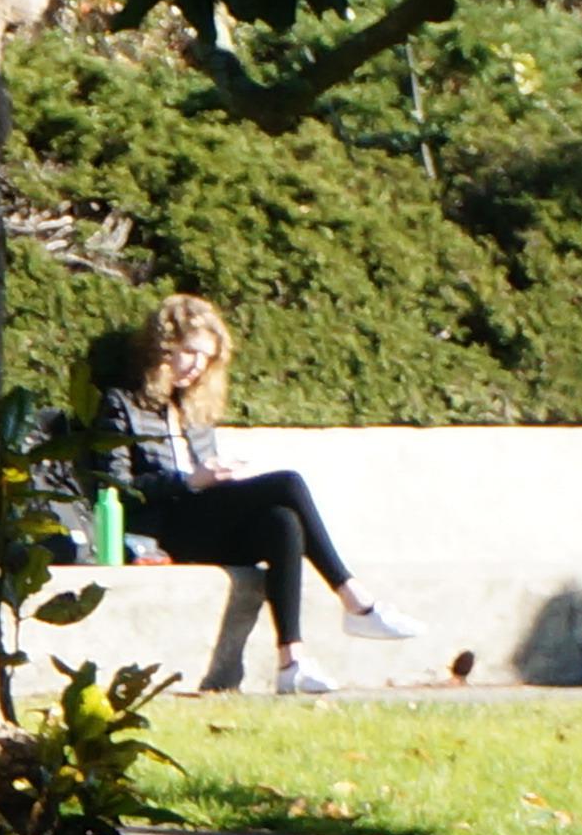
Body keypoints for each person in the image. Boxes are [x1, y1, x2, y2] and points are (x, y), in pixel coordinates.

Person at [94, 295, 420, 696]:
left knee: (282, 521)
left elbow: (205, 478)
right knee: (288, 483)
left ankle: (292, 661)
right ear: (162, 348)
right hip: (161, 528)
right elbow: (116, 490)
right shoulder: (121, 405)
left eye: (206, 359)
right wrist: (190, 481)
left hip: (202, 520)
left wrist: (220, 479)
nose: (196, 366)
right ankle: (356, 600)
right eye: (189, 353)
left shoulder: (193, 410)